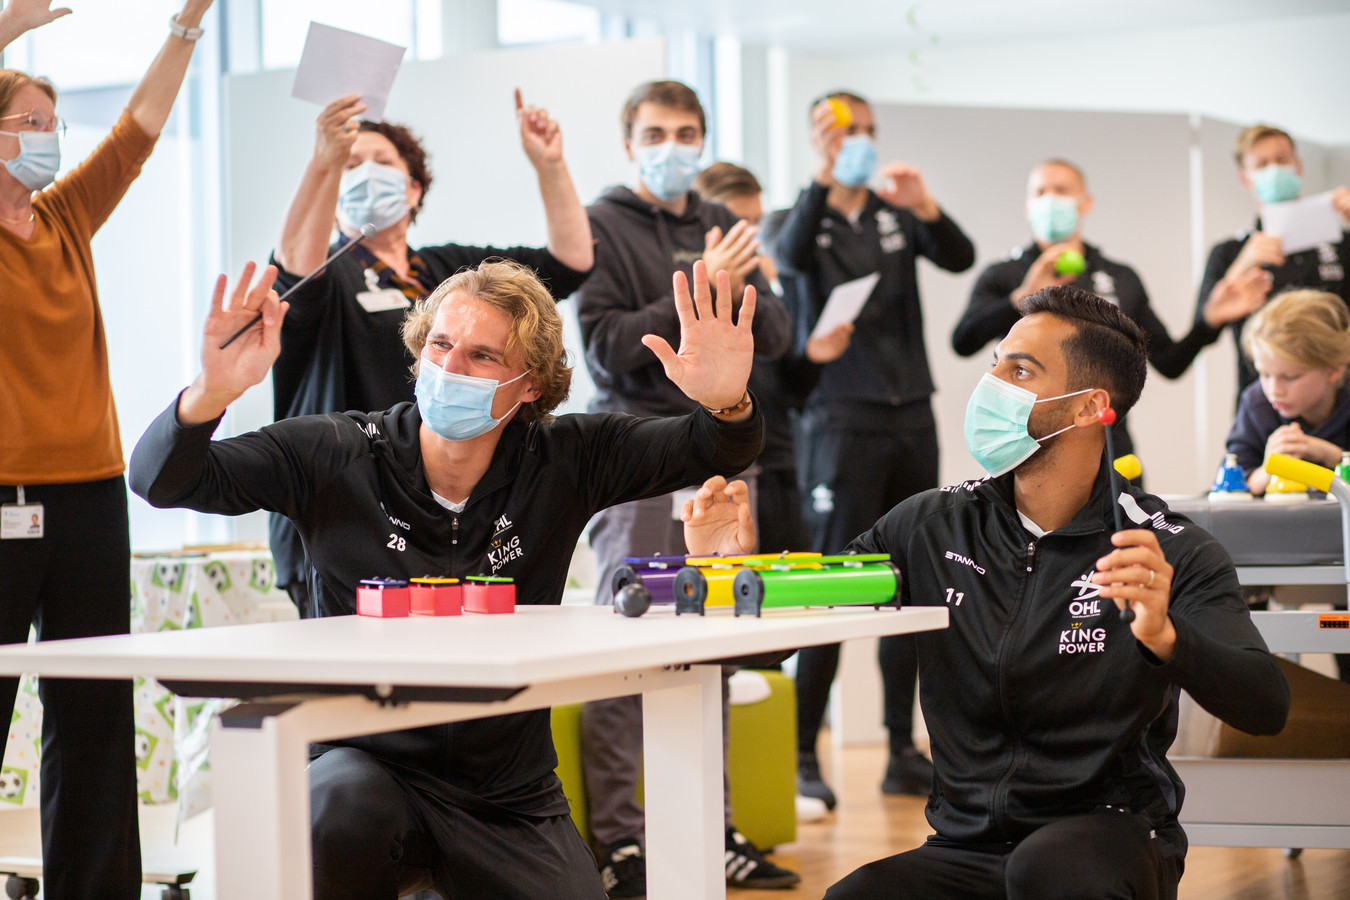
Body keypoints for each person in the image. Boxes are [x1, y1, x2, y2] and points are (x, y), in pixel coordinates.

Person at [129, 257, 763, 899]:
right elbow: (162, 479)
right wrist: (209, 396)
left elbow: (714, 447)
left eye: (483, 356)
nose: (450, 368)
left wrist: (726, 401)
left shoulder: (566, 458)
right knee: (338, 811)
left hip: (506, 791)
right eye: (440, 344)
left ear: (530, 385)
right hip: (361, 770)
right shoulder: (337, 452)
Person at [819, 285, 1290, 900]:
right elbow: (808, 611)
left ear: (1086, 407)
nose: (992, 385)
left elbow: (1267, 705)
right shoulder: (928, 525)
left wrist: (1167, 637)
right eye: (996, 364)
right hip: (967, 844)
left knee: (1050, 871)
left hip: (1109, 837)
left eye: (1021, 370)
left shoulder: (1168, 549)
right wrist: (727, 567)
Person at [0, 2, 213, 896]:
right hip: (2, 499)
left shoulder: (66, 219)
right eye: (29, 123)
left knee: (92, 712)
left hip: (89, 497)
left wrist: (187, 26)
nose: (49, 138)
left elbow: (141, 128)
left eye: (54, 123)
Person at [574, 82, 797, 897]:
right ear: (630, 143)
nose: (676, 145)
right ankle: (625, 844)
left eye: (689, 132)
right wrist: (701, 278)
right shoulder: (601, 224)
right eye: (658, 133)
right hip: (634, 458)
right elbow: (600, 346)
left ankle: (714, 825)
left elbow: (774, 334)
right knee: (628, 648)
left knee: (716, 645)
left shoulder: (716, 221)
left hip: (723, 453)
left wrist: (737, 277)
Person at [268, 89, 594, 616]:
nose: (365, 172)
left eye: (381, 162)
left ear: (413, 188)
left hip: (439, 505)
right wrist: (322, 165)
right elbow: (293, 268)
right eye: (352, 164)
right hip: (346, 504)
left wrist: (550, 166)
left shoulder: (449, 273)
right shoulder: (332, 270)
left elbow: (571, 264)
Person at [773, 90, 975, 805]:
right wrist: (825, 182)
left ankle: (901, 748)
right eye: (842, 132)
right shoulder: (799, 215)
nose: (857, 140)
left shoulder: (895, 213)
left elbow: (959, 256)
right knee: (831, 585)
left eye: (866, 131)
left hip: (911, 414)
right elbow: (789, 258)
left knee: (910, 582)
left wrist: (926, 206)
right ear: (817, 140)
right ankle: (803, 753)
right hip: (838, 420)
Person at [952, 158, 1272, 459]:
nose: (1050, 200)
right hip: (1025, 439)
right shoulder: (1003, 274)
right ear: (1028, 206)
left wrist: (1208, 322)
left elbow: (1169, 362)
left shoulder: (1120, 277)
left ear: (1085, 202)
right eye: (1040, 192)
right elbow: (963, 341)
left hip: (1109, 445)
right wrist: (1020, 297)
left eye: (1061, 191)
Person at [1193, 123, 1350, 396]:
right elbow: (1195, 339)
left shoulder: (1339, 241)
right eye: (1262, 164)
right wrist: (1240, 269)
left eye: (1282, 160)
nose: (1275, 170)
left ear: (1298, 166)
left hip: (1339, 402)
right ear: (1245, 178)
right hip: (1262, 406)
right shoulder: (1230, 253)